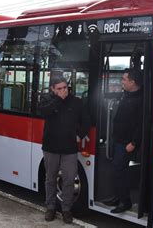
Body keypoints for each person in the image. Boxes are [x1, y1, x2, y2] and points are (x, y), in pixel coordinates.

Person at [38, 76, 90, 224]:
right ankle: (50, 207)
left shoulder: (77, 102)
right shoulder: (47, 100)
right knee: (50, 179)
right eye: (59, 88)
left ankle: (66, 209)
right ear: (52, 89)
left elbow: (86, 121)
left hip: (70, 149)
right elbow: (44, 113)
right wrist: (59, 100)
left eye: (65, 88)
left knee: (68, 180)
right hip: (50, 147)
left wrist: (80, 135)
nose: (63, 91)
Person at [105, 69, 143, 213]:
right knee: (116, 170)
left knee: (121, 171)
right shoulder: (126, 95)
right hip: (118, 139)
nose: (122, 82)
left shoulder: (140, 100)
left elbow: (141, 124)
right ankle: (117, 197)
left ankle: (125, 201)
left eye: (124, 79)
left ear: (133, 82)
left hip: (127, 143)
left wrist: (133, 143)